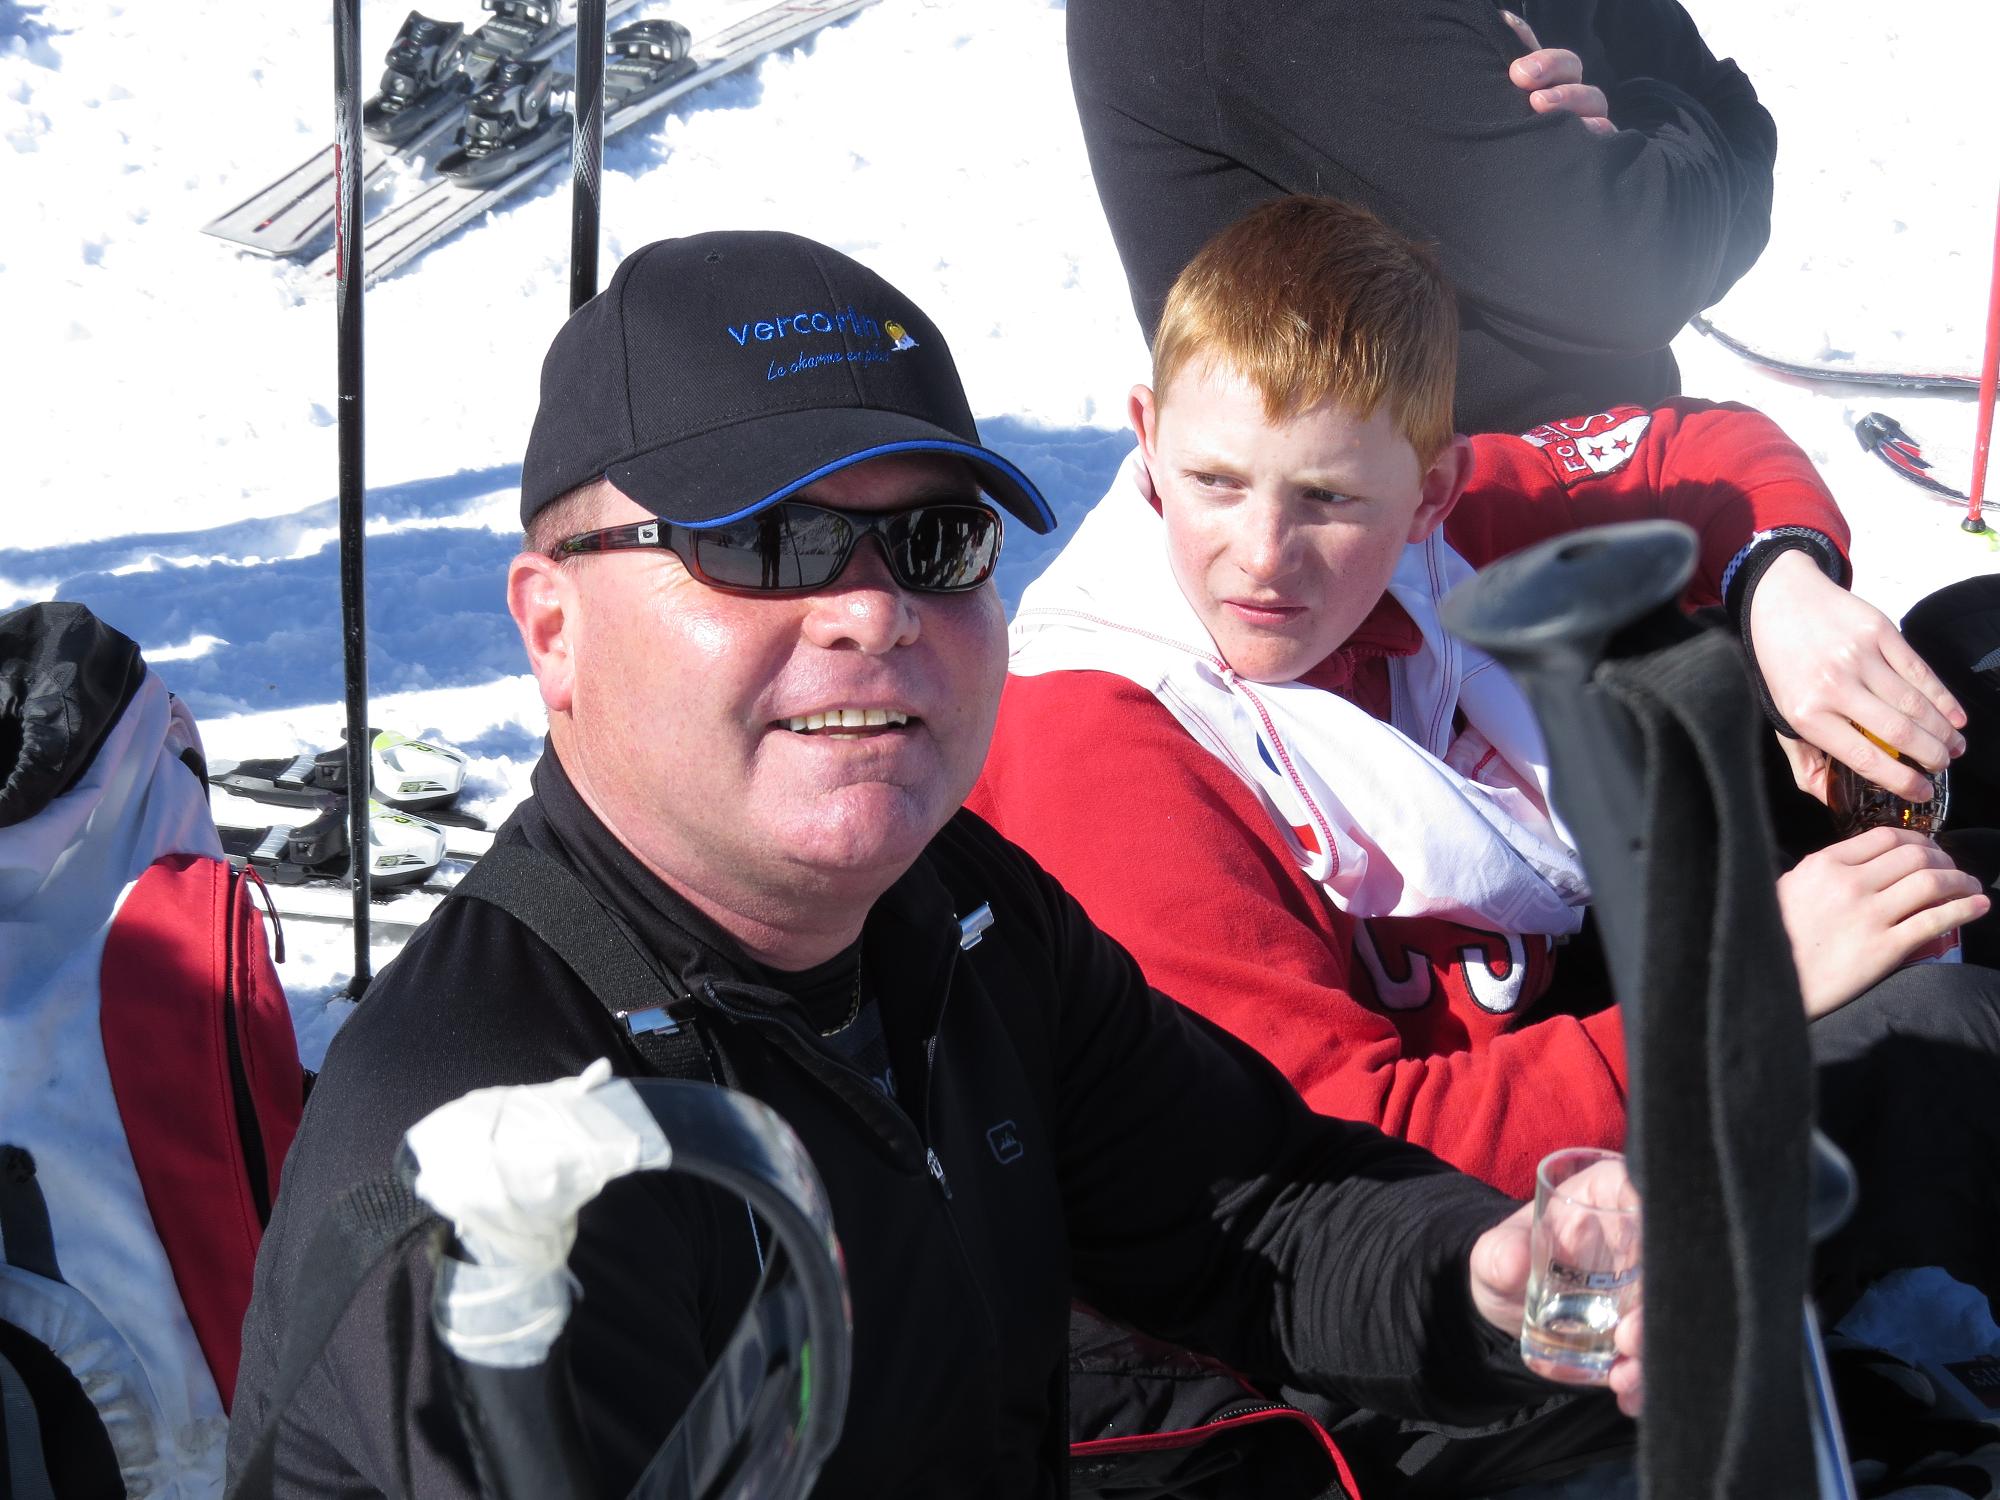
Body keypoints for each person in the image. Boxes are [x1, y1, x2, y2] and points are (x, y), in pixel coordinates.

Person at [226, 231, 1638, 1499]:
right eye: (766, 542)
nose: (873, 610)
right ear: (554, 630)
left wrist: (1485, 1275)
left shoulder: (957, 913)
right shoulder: (501, 1142)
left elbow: (1250, 1214)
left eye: (932, 541)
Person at [969, 195, 1987, 1206]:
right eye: (1214, 481)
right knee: (1956, 1028)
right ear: (1147, 437)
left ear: (1430, 491)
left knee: (1970, 655)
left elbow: (1702, 454)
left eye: (1326, 498)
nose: (1262, 554)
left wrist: (1782, 589)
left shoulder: (1430, 542)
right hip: (1439, 1213)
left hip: (1573, 1025)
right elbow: (1327, 1167)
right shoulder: (1103, 744)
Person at [1065, 0, 1779, 434]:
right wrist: (1664, 124)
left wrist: (1644, 125)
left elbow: (1736, 116)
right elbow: (1635, 268)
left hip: (1600, 504)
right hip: (1390, 582)